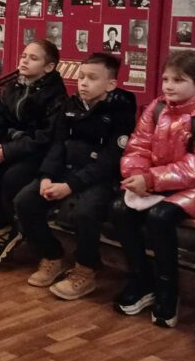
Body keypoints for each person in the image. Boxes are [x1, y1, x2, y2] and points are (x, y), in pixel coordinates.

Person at [113, 50, 195, 328]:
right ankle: (142, 280)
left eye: (178, 80)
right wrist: (137, 174)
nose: (168, 86)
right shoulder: (157, 108)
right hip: (162, 179)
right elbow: (138, 146)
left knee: (160, 217)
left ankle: (168, 289)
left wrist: (150, 180)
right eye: (166, 79)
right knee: (119, 209)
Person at [15, 54, 137, 298]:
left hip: (98, 178)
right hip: (65, 171)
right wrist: (47, 176)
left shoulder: (121, 111)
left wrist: (70, 185)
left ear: (110, 84)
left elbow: (110, 159)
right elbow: (58, 144)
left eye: (92, 78)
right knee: (25, 201)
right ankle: (52, 255)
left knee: (86, 212)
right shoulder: (70, 105)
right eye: (81, 77)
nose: (84, 83)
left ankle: (86, 268)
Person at [0, 40, 66, 269]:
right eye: (24, 55)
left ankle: (19, 228)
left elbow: (46, 137)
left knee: (13, 179)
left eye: (33, 58)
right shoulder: (13, 87)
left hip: (35, 155)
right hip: (5, 149)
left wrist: (8, 151)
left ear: (49, 67)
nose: (25, 61)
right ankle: (1, 228)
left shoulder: (56, 96)